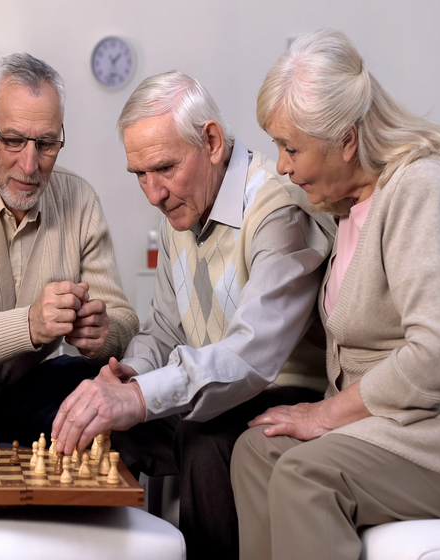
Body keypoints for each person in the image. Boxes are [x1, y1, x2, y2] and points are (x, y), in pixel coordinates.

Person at [229, 29, 440, 560]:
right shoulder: (344, 207)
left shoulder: (421, 188)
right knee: (256, 452)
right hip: (402, 421)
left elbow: (437, 356)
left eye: (291, 148)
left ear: (347, 140)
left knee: (306, 477)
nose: (282, 165)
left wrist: (325, 415)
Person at [52, 71, 336, 559]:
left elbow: (251, 355)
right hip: (209, 391)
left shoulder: (276, 209)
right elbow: (165, 327)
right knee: (107, 427)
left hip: (283, 391)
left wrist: (139, 397)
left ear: (212, 141)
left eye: (164, 168)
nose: (153, 193)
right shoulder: (180, 209)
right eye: (140, 174)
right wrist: (129, 376)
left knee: (204, 438)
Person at [0, 52, 138, 448]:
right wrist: (30, 326)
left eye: (46, 144)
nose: (30, 164)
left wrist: (101, 334)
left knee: (101, 381)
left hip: (26, 392)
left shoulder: (81, 200)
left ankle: (85, 486)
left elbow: (124, 323)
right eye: (13, 141)